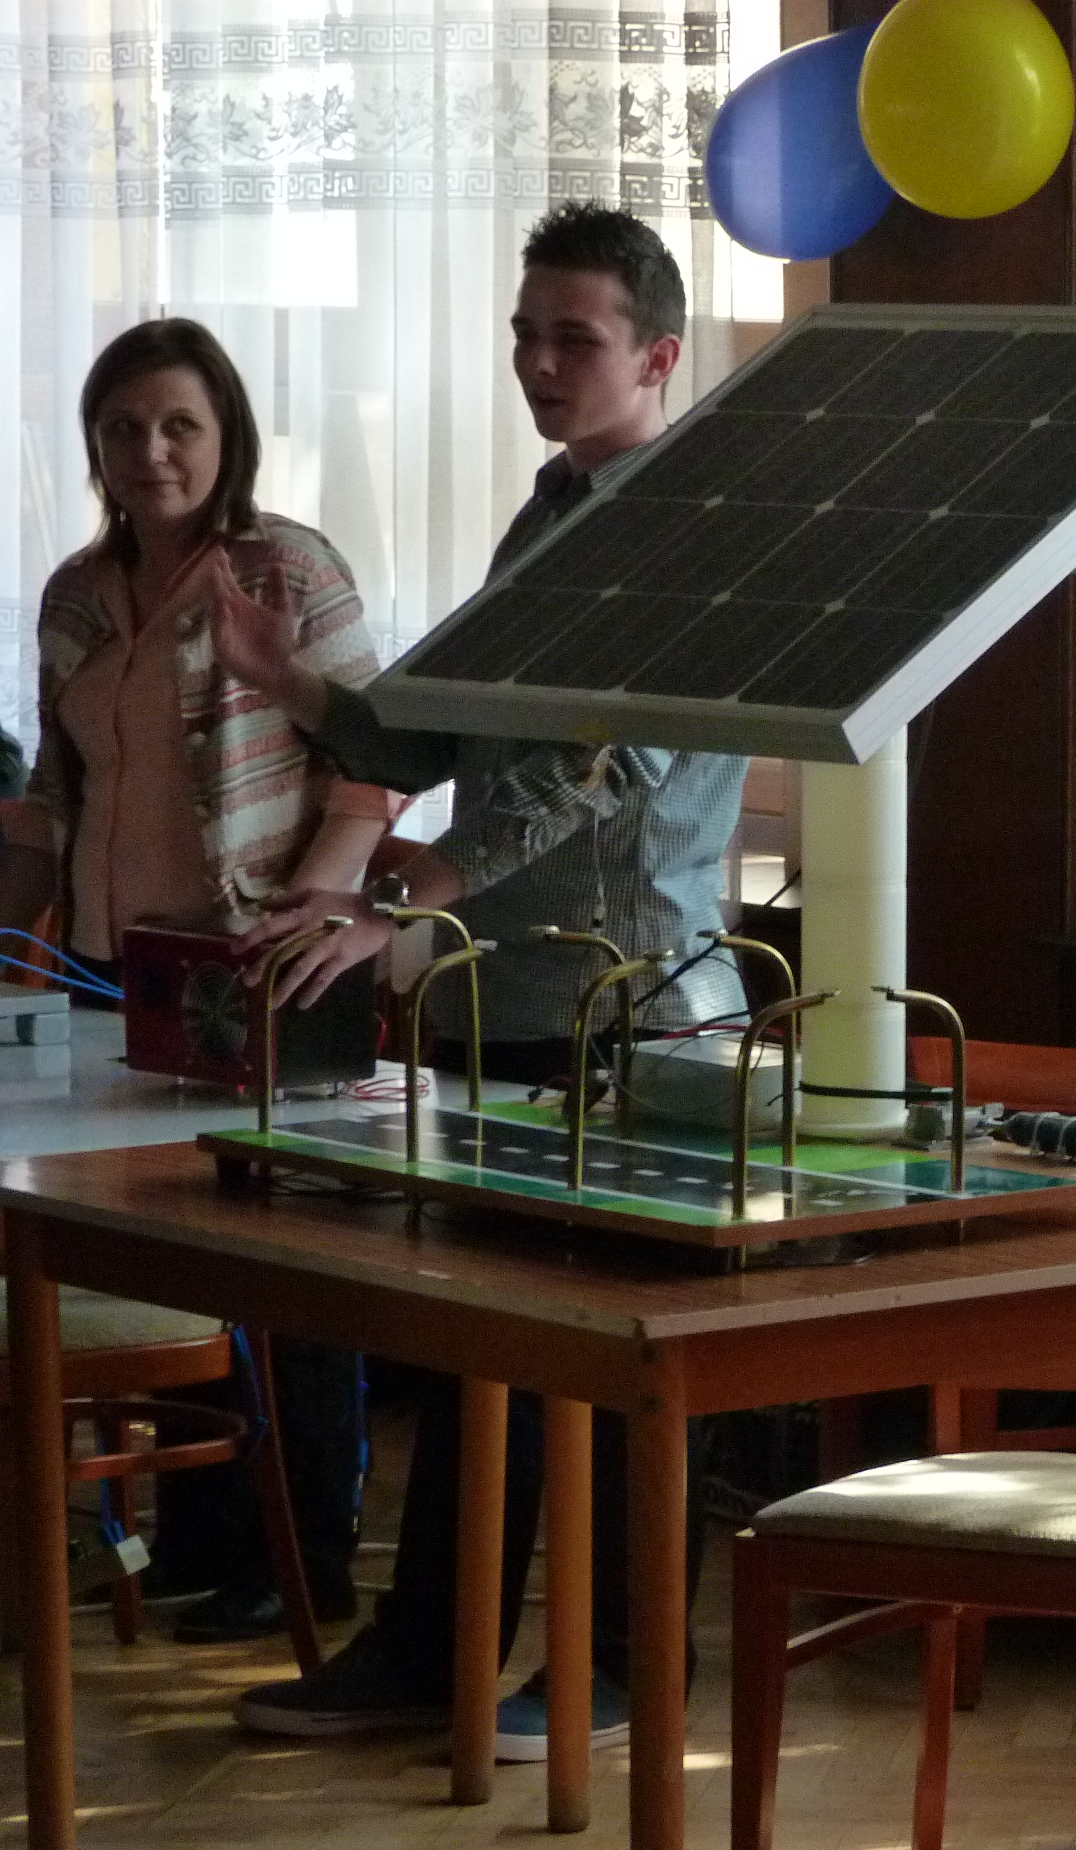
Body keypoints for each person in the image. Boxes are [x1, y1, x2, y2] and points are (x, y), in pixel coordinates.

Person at [218, 203, 746, 1760]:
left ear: (659, 356)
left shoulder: (689, 531)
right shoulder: (549, 510)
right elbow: (448, 725)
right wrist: (290, 680)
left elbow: (606, 762)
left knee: (618, 1367)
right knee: (474, 1356)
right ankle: (427, 1656)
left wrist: (415, 889)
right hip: (505, 1007)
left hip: (632, 1012)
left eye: (573, 339)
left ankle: (618, 1672)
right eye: (525, 334)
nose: (538, 363)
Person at [0, 317, 401, 1641]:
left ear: (227, 434)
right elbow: (52, 796)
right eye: (123, 428)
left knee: (285, 1266)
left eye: (180, 424)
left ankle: (304, 1553)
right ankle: (203, 1538)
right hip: (110, 969)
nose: (152, 452)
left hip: (255, 970)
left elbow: (376, 763)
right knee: (168, 1254)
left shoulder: (289, 567)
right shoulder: (73, 593)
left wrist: (314, 906)